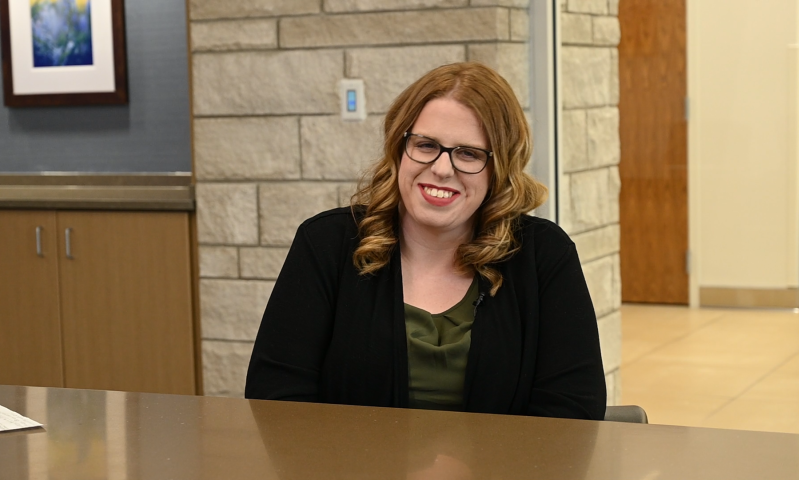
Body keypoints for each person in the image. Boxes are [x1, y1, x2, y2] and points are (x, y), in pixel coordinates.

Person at [245, 62, 606, 419]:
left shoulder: (545, 256)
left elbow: (572, 412)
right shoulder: (326, 244)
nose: (442, 169)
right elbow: (276, 398)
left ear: (500, 166)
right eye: (427, 144)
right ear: (400, 147)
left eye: (469, 153)